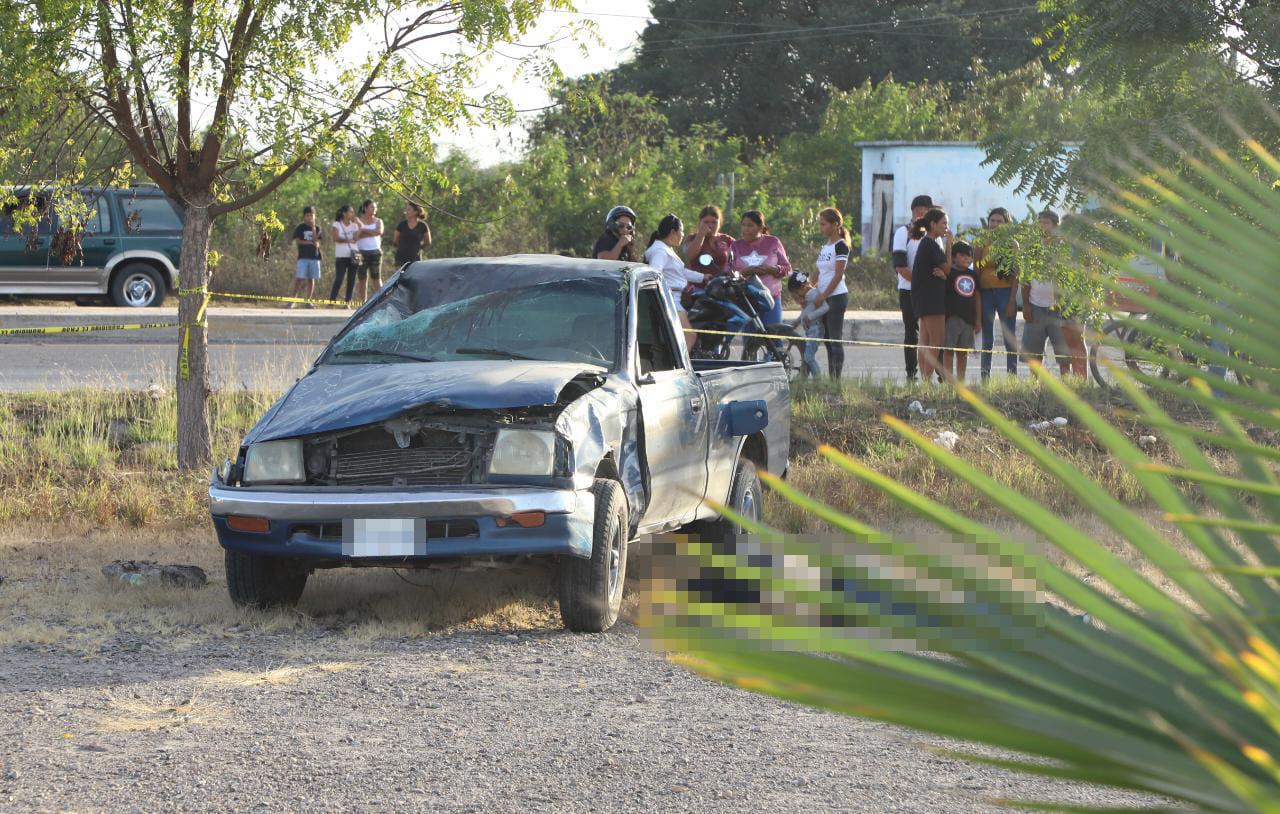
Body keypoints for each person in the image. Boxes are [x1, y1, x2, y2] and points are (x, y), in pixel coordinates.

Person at [644, 214, 707, 349]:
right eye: (681, 231)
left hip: (673, 298)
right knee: (689, 337)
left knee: (683, 338)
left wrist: (704, 277)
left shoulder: (666, 250)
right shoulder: (660, 251)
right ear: (673, 232)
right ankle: (680, 368)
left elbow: (681, 271)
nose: (683, 235)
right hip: (671, 299)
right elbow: (654, 273)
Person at [1020, 211, 1069, 371]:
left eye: (1046, 222)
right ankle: (1034, 387)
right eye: (1039, 222)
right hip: (1035, 306)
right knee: (1033, 353)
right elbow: (1025, 279)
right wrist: (1026, 306)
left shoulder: (1063, 249)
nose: (1042, 226)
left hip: (1058, 308)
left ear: (1055, 226)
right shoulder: (1032, 249)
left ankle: (1066, 385)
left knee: (1063, 353)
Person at [975, 206, 1019, 380]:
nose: (995, 224)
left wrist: (1011, 301)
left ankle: (1012, 378)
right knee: (987, 339)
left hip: (1005, 293)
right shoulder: (981, 241)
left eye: (999, 221)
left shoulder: (1012, 244)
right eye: (992, 220)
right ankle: (985, 378)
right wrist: (976, 298)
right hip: (985, 293)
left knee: (1009, 338)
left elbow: (1016, 275)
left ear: (1006, 224)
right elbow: (976, 269)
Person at [892, 194, 933, 381]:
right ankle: (911, 373)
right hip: (908, 290)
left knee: (931, 334)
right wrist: (918, 284)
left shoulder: (934, 236)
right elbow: (900, 266)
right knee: (911, 332)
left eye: (925, 211)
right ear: (912, 212)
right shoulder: (903, 233)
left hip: (929, 292)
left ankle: (933, 374)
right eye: (918, 211)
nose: (921, 214)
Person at [910, 208, 952, 382]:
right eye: (944, 223)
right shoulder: (931, 243)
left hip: (921, 298)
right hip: (932, 300)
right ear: (933, 224)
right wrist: (949, 243)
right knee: (937, 340)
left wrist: (943, 275)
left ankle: (925, 379)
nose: (946, 228)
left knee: (925, 341)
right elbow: (948, 268)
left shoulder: (926, 243)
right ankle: (927, 379)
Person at [730, 210, 791, 326]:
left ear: (761, 227)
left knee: (774, 336)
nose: (745, 229)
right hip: (747, 300)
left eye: (750, 225)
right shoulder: (735, 246)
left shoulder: (773, 242)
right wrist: (745, 272)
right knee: (751, 340)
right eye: (743, 225)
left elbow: (787, 268)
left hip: (771, 298)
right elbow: (729, 273)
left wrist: (772, 270)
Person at [813, 207, 851, 379]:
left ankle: (836, 380)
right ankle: (831, 377)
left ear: (835, 224)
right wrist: (807, 286)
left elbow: (838, 275)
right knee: (827, 339)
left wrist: (824, 295)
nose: (822, 228)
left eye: (824, 224)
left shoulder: (841, 246)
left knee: (835, 338)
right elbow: (819, 271)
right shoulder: (825, 247)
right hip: (823, 296)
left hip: (836, 297)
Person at [1055, 213, 1088, 379]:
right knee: (1064, 341)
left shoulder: (1084, 250)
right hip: (1061, 300)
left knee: (1076, 341)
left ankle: (1081, 381)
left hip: (1077, 301)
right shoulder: (1061, 248)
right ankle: (1068, 381)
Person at [943, 241, 981, 381]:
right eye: (962, 255)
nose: (966, 258)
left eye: (968, 256)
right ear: (953, 257)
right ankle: (948, 381)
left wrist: (978, 320)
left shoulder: (973, 275)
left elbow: (977, 297)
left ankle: (960, 382)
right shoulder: (949, 273)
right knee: (948, 351)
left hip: (969, 320)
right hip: (952, 318)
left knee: (963, 353)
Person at [788, 271, 826, 378]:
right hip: (810, 330)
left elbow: (825, 307)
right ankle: (803, 377)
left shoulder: (814, 293)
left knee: (809, 357)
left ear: (803, 287)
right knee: (806, 356)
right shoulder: (808, 296)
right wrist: (797, 321)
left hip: (816, 329)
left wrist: (811, 317)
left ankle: (818, 380)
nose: (797, 297)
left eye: (796, 293)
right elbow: (806, 312)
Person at [683, 205, 733, 278]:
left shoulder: (727, 240)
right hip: (699, 286)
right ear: (700, 222)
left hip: (722, 284)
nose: (710, 225)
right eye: (706, 222)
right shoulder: (692, 238)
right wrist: (701, 235)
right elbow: (690, 256)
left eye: (714, 222)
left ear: (719, 223)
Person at [289, 206, 322, 308]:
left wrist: (312, 228)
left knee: (311, 279)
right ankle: (293, 301)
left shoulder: (317, 228)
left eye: (311, 215)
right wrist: (309, 242)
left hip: (314, 257)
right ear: (304, 216)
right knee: (299, 278)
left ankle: (308, 301)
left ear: (314, 216)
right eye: (307, 215)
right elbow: (298, 241)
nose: (309, 217)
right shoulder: (300, 228)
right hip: (303, 257)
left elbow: (317, 241)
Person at [329, 205, 360, 304]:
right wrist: (348, 240)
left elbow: (355, 238)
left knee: (352, 280)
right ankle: (332, 301)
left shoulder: (354, 225)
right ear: (344, 213)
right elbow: (336, 238)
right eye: (350, 212)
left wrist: (358, 222)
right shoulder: (337, 224)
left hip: (354, 254)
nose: (352, 214)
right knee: (339, 279)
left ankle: (348, 302)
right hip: (341, 256)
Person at [354, 199, 384, 302]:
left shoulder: (379, 221)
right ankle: (364, 302)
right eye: (372, 207)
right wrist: (369, 232)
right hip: (360, 252)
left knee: (376, 277)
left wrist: (363, 229)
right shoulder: (358, 221)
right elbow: (356, 236)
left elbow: (378, 232)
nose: (374, 209)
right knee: (362, 278)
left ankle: (381, 301)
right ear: (365, 208)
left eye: (375, 207)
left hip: (375, 252)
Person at [393, 202, 431, 268]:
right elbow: (395, 240)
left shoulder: (423, 226)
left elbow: (428, 242)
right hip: (400, 258)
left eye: (409, 209)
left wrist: (420, 248)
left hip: (415, 258)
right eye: (406, 209)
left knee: (414, 278)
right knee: (401, 277)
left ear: (415, 212)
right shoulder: (402, 225)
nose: (406, 211)